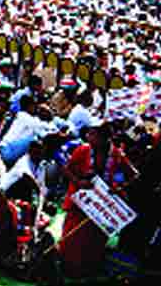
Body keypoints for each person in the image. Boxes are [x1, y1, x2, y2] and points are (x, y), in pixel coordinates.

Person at [59, 119, 111, 278]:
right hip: (80, 201)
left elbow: (126, 175)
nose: (88, 137)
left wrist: (115, 187)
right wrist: (78, 182)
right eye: (89, 133)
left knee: (94, 237)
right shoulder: (83, 150)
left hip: (100, 204)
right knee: (73, 235)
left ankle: (90, 267)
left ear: (103, 138)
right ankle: (68, 266)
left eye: (93, 134)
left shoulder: (114, 153)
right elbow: (67, 169)